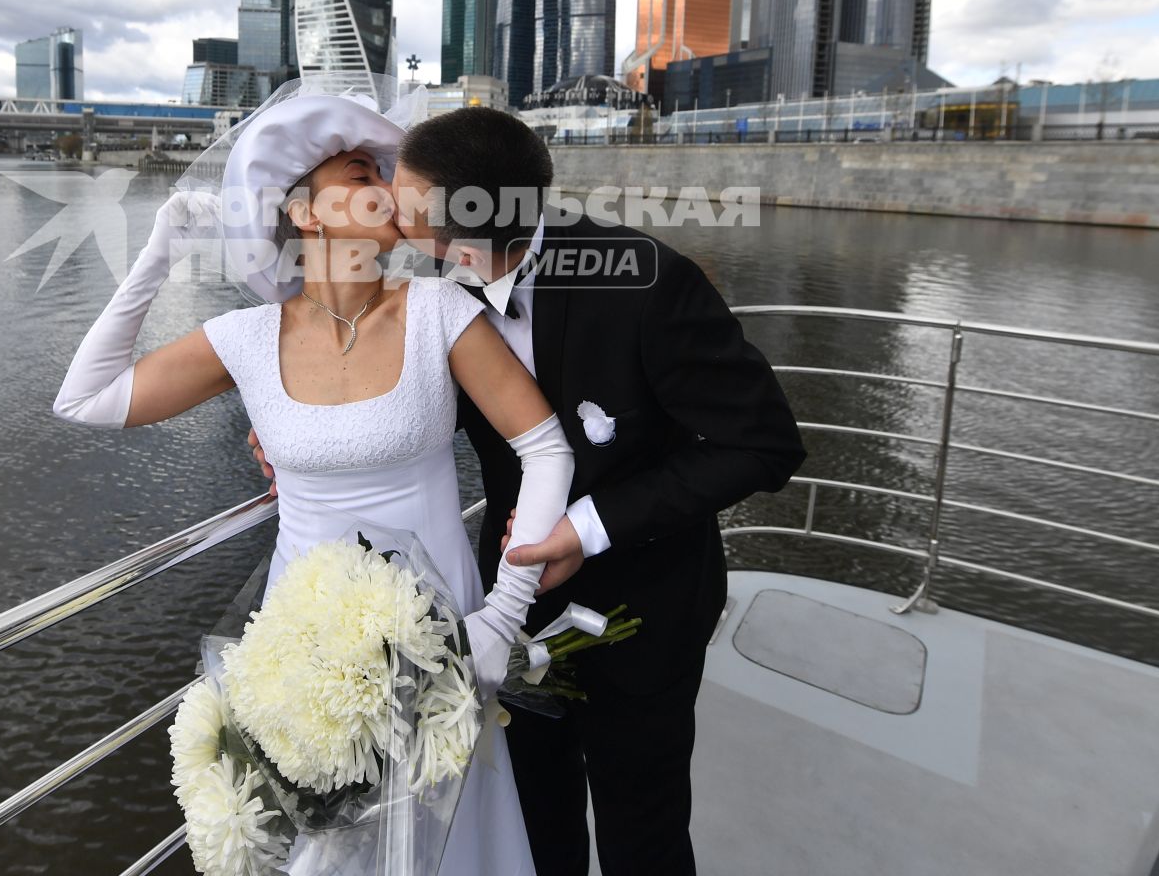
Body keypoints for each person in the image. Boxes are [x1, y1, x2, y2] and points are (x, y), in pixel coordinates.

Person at [260, 106, 806, 875]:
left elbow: (764, 444)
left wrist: (588, 527)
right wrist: (293, 429)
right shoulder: (439, 295)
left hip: (646, 612)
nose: (387, 201)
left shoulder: (649, 282)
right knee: (536, 820)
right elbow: (413, 411)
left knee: (640, 829)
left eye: (405, 198)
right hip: (505, 614)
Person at [52, 87, 570, 876]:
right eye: (362, 172)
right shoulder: (247, 338)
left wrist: (502, 616)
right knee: (329, 841)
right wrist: (157, 252)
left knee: (448, 833)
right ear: (306, 214)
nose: (387, 187)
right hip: (305, 642)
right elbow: (86, 399)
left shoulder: (439, 310)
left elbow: (545, 448)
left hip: (444, 628)